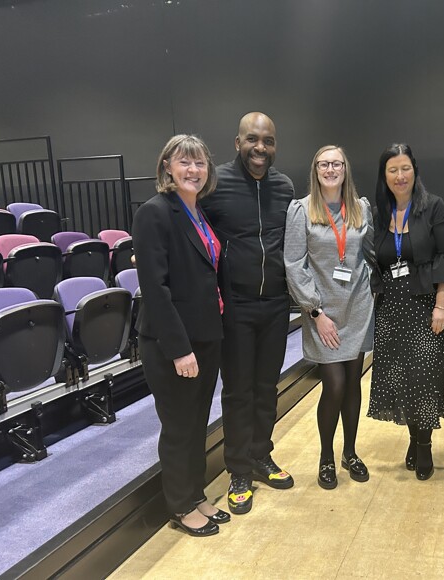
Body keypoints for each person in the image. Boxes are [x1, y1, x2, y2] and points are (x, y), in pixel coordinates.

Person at [199, 112, 295, 515]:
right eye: (253, 139)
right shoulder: (215, 184)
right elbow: (192, 231)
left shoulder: (285, 187)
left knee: (266, 388)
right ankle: (238, 469)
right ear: (238, 143)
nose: (261, 148)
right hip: (234, 306)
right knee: (239, 391)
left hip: (275, 304)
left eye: (268, 141)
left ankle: (260, 455)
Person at [133, 134, 229, 536]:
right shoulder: (155, 213)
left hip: (205, 336)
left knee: (197, 422)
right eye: (184, 162)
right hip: (172, 344)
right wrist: (179, 350)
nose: (193, 170)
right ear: (167, 167)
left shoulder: (197, 211)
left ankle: (195, 494)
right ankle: (179, 505)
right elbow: (155, 289)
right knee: (177, 426)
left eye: (200, 163)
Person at [367, 143, 444, 481]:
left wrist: (442, 306)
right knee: (404, 379)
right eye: (393, 170)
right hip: (391, 310)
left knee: (425, 378)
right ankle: (415, 437)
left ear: (415, 170)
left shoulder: (433, 207)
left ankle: (424, 446)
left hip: (426, 307)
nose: (400, 176)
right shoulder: (380, 214)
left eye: (405, 168)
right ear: (384, 175)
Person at [284, 145, 375, 490]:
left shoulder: (361, 208)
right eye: (324, 164)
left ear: (345, 169)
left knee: (352, 384)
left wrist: (371, 287)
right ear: (315, 170)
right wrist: (315, 311)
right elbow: (294, 264)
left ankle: (350, 452)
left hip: (357, 307)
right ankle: (326, 457)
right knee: (334, 385)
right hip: (321, 311)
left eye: (336, 163)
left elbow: (369, 254)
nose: (330, 169)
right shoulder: (302, 210)